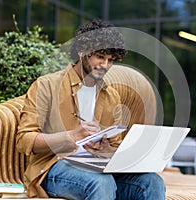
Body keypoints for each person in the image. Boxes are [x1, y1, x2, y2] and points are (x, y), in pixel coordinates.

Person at [16, 19, 166, 200]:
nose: (105, 65)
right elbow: (25, 140)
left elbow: (115, 146)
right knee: (101, 182)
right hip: (54, 167)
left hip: (97, 167)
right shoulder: (47, 85)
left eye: (111, 60)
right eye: (100, 57)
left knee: (152, 182)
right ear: (82, 52)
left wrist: (104, 150)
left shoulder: (111, 96)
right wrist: (71, 136)